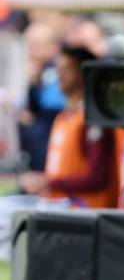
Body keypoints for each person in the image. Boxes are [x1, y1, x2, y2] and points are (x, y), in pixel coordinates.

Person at [18, 45, 124, 208]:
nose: (60, 75)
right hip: (64, 212)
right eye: (58, 69)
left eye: (67, 69)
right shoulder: (64, 117)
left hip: (89, 217)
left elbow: (97, 177)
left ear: (85, 75)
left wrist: (48, 182)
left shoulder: (94, 120)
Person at [18, 22, 66, 170]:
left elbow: (54, 105)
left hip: (54, 144)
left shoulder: (58, 70)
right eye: (29, 44)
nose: (32, 49)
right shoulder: (31, 70)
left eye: (37, 44)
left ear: (53, 47)